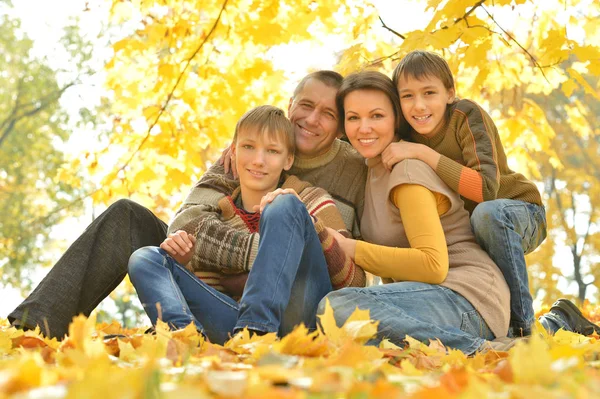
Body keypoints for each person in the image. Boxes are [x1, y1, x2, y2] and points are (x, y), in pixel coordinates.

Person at [8, 70, 368, 339]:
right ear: (290, 106)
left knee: (286, 214)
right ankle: (33, 326)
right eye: (305, 106)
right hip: (221, 289)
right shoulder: (245, 150)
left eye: (327, 113)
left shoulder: (348, 169)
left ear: (339, 127)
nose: (311, 119)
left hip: (298, 302)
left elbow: (340, 263)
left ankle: (240, 331)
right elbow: (186, 226)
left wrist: (286, 242)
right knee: (129, 220)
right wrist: (268, 251)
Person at [320, 71, 600, 355]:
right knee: (341, 316)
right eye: (354, 118)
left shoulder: (406, 170)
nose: (364, 127)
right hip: (432, 297)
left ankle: (493, 352)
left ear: (397, 119)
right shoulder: (370, 175)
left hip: (467, 294)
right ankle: (545, 328)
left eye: (377, 116)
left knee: (338, 307)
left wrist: (350, 248)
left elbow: (433, 265)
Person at [127, 105, 365, 344]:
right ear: (233, 152)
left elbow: (354, 281)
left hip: (301, 320)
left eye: (272, 151)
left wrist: (309, 227)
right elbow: (212, 287)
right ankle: (185, 339)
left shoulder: (311, 200)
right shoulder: (216, 215)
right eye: (248, 147)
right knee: (145, 258)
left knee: (284, 204)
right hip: (233, 325)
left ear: (288, 160)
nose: (258, 160)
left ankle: (255, 330)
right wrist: (185, 260)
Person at [378, 50, 544, 337]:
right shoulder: (403, 129)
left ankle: (523, 328)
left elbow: (484, 190)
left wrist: (422, 152)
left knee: (488, 215)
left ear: (450, 93)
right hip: (474, 229)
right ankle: (550, 321)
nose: (419, 105)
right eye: (407, 96)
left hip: (517, 211)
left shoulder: (465, 115)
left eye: (429, 92)